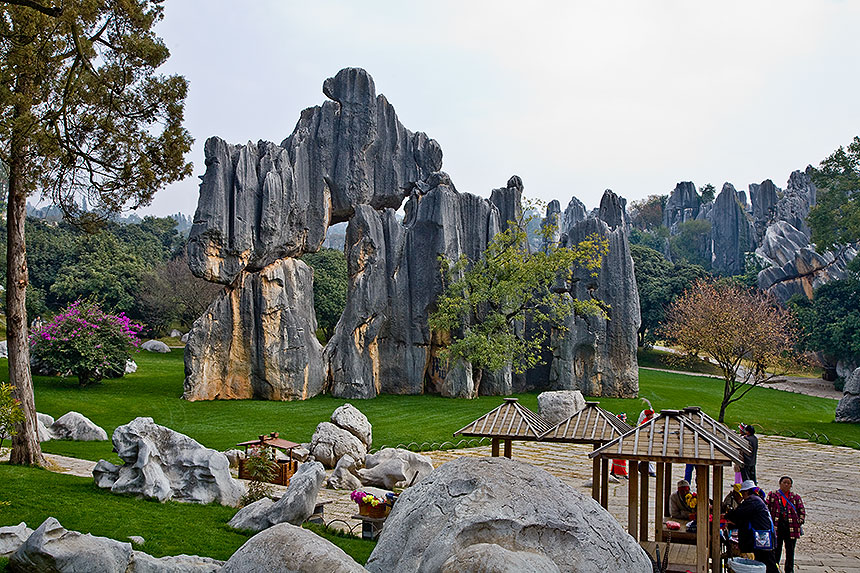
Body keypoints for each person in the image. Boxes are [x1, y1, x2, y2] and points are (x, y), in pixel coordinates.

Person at [725, 480, 779, 573]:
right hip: (763, 537)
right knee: (762, 561)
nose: (742, 496)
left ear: (746, 491)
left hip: (763, 537)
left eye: (742, 493)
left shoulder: (752, 501)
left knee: (768, 563)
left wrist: (727, 515)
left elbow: (738, 513)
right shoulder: (756, 499)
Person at [767, 475, 805, 573]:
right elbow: (767, 508)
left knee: (790, 550)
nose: (786, 485)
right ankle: (774, 568)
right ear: (780, 483)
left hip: (791, 527)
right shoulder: (773, 495)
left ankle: (789, 570)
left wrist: (800, 521)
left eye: (788, 483)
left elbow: (801, 510)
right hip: (777, 527)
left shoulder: (795, 497)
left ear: (791, 485)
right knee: (776, 549)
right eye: (784, 482)